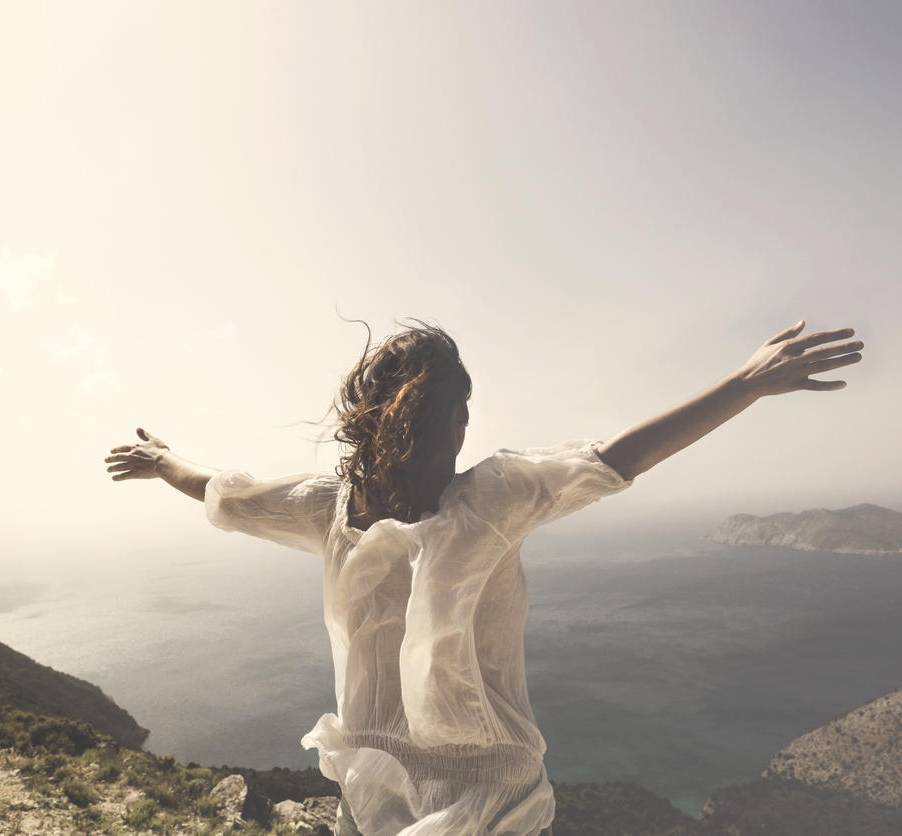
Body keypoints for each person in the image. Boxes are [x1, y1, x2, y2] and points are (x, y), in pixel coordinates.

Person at [104, 317, 863, 836]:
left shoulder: (364, 507)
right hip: (430, 801)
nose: (467, 424)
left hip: (429, 801)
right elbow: (622, 455)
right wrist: (745, 382)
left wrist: (160, 461)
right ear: (441, 420)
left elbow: (220, 492)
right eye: (459, 409)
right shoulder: (471, 498)